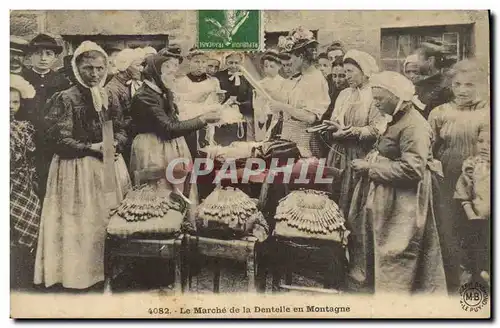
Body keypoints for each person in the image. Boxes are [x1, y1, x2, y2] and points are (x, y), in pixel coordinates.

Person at [34, 41, 131, 290]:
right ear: (77, 68)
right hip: (75, 168)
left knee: (105, 217)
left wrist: (114, 144)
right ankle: (78, 275)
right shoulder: (65, 98)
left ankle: (106, 271)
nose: (95, 74)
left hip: (107, 162)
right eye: (88, 68)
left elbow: (120, 126)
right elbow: (58, 138)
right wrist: (92, 148)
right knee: (80, 220)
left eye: (100, 68)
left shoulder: (108, 94)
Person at [346, 71, 447, 294]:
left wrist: (370, 168)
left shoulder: (414, 126)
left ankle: (397, 298)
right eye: (375, 99)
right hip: (392, 196)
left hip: (406, 202)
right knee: (384, 249)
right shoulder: (399, 118)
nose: (376, 104)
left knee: (399, 251)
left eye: (380, 99)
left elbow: (413, 169)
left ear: (397, 97)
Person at [130, 54, 222, 213]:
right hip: (154, 147)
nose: (174, 76)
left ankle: (179, 224)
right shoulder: (145, 96)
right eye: (170, 73)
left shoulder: (160, 91)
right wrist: (202, 120)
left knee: (177, 191)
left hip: (167, 146)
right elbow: (168, 129)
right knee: (159, 194)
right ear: (156, 73)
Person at [428, 59, 489, 294]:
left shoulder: (489, 112)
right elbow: (428, 146)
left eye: (469, 85)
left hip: (480, 180)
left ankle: (480, 278)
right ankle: (454, 279)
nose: (462, 90)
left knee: (477, 229)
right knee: (448, 228)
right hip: (445, 178)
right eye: (457, 84)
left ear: (481, 86)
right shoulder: (440, 112)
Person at [325, 49, 385, 217]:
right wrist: (332, 127)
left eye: (350, 71)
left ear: (364, 71)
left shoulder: (374, 94)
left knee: (354, 199)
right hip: (338, 153)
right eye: (345, 72)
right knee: (334, 192)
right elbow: (336, 118)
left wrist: (354, 132)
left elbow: (377, 128)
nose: (346, 76)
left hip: (361, 153)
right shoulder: (344, 94)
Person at [19, 33, 69, 200]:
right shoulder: (20, 79)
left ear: (55, 57)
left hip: (52, 140)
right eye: (38, 53)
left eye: (48, 54)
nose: (43, 58)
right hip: (26, 139)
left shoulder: (62, 81)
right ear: (30, 56)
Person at [270, 27, 330, 157]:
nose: (289, 62)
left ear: (301, 56)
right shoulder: (301, 78)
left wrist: (283, 107)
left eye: (291, 57)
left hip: (303, 142)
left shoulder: (315, 79)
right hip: (288, 139)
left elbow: (310, 117)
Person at [10, 74, 41, 291]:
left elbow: (31, 156)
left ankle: (22, 276)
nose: (11, 107)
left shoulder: (24, 126)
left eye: (15, 102)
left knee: (29, 224)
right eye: (6, 101)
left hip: (24, 183)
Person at [454, 122, 490, 287]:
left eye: (490, 142)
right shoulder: (473, 165)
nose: (484, 146)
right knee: (473, 250)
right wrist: (471, 214)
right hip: (476, 219)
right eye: (480, 141)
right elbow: (464, 193)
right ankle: (475, 276)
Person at [174, 48, 223, 157]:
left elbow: (215, 102)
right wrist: (195, 99)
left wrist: (219, 100)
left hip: (209, 120)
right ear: (190, 62)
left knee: (209, 152)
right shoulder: (181, 81)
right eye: (196, 61)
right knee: (192, 152)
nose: (200, 65)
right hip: (189, 120)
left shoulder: (213, 81)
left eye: (203, 62)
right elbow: (177, 104)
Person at [106, 47, 146, 167]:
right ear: (125, 67)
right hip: (125, 140)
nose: (141, 69)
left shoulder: (135, 83)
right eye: (138, 65)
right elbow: (118, 122)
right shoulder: (113, 89)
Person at [405, 43, 454, 118]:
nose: (414, 64)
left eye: (417, 60)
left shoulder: (445, 85)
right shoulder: (417, 84)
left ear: (430, 60)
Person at [215, 52, 254, 141]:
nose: (234, 66)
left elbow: (251, 97)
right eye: (230, 63)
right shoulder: (219, 76)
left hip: (241, 114)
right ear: (225, 62)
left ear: (241, 63)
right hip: (222, 114)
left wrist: (240, 104)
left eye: (237, 63)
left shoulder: (246, 77)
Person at [253, 50, 286, 141]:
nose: (268, 69)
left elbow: (284, 100)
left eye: (272, 66)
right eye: (266, 66)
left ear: (279, 66)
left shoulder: (284, 83)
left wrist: (272, 94)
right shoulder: (260, 83)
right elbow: (257, 103)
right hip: (264, 115)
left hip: (279, 116)